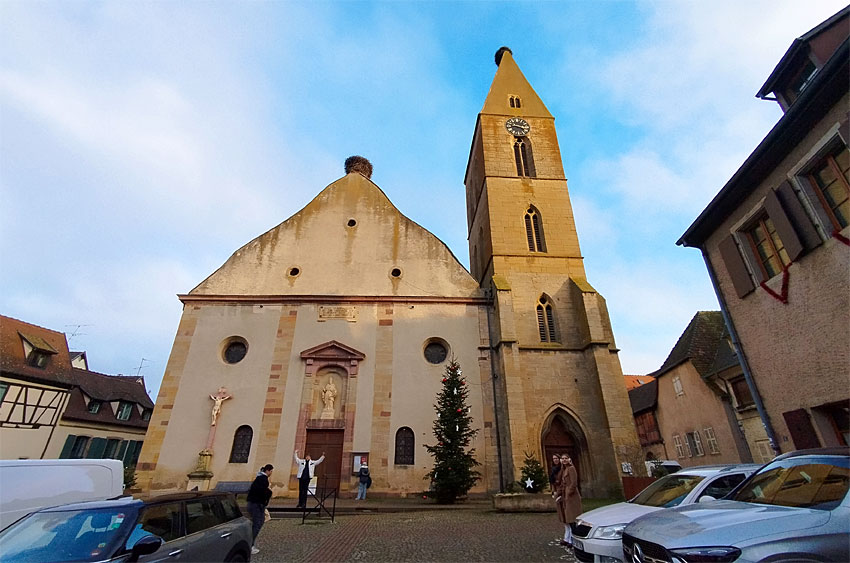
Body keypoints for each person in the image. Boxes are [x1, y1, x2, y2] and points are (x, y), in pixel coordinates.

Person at [555, 453, 582, 548]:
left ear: (569, 459)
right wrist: (558, 494)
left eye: (566, 458)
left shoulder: (571, 468)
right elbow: (563, 484)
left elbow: (574, 483)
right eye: (562, 458)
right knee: (567, 518)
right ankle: (568, 538)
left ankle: (573, 539)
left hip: (572, 497)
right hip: (565, 495)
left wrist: (569, 493)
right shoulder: (564, 469)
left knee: (571, 518)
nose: (564, 460)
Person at [246, 464, 273, 555]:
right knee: (257, 524)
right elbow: (262, 492)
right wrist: (269, 493)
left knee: (258, 522)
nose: (271, 473)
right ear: (268, 471)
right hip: (257, 504)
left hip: (253, 503)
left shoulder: (259, 478)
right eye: (271, 471)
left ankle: (249, 544)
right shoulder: (263, 480)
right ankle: (249, 545)